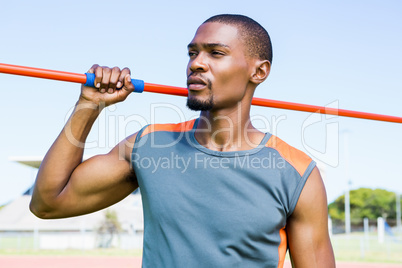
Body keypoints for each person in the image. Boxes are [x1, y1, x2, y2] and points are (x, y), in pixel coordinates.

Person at [30, 14, 335, 267]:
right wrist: (89, 105)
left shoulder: (296, 173)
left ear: (259, 71)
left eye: (215, 53)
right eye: (192, 53)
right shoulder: (148, 145)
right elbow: (48, 203)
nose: (196, 64)